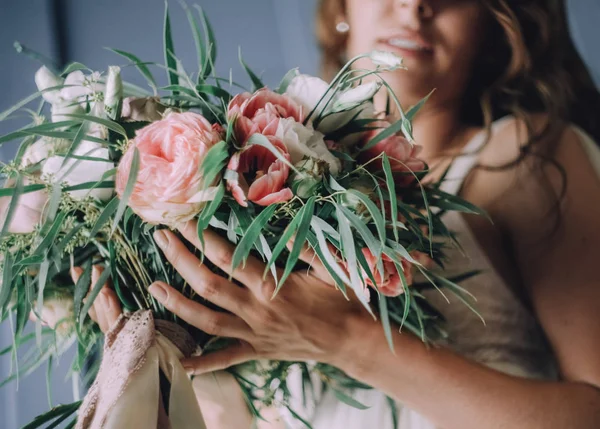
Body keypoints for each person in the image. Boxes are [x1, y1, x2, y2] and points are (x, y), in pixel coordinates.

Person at [88, 0, 600, 427]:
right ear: (341, 8)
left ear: (494, 21)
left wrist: (347, 340)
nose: (416, 5)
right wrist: (160, 368)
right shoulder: (256, 185)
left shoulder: (525, 158)